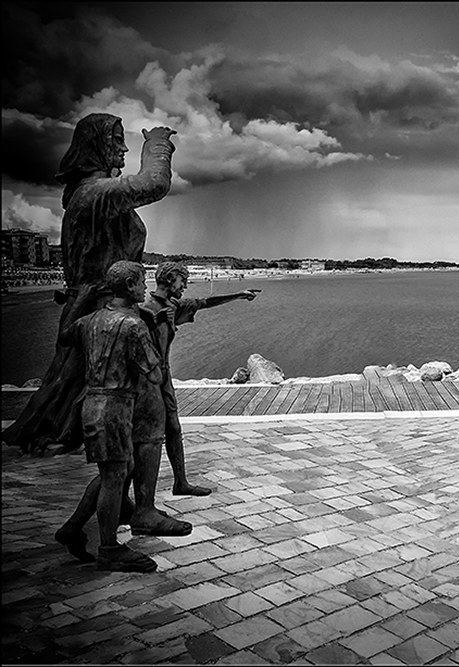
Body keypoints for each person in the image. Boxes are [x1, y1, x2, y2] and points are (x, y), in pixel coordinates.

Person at [2, 114, 177, 456]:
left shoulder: (90, 195)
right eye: (115, 140)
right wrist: (157, 143)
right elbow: (154, 184)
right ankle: (76, 436)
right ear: (95, 146)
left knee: (78, 376)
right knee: (92, 377)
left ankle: (67, 431)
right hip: (102, 308)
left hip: (102, 304)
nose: (124, 147)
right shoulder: (94, 194)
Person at [54, 261, 163, 572]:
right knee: (115, 478)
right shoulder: (133, 326)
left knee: (117, 470)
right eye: (142, 282)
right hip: (114, 407)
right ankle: (109, 548)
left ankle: (73, 528)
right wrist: (152, 326)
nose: (146, 288)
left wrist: (78, 303)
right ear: (129, 286)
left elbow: (65, 337)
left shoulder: (90, 321)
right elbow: (153, 372)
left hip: (93, 404)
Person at [139, 261, 260, 497]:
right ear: (170, 279)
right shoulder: (145, 309)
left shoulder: (172, 305)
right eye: (182, 280)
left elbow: (204, 303)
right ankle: (140, 500)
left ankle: (180, 482)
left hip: (163, 377)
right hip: (146, 380)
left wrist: (239, 295)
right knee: (147, 438)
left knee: (173, 427)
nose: (185, 285)